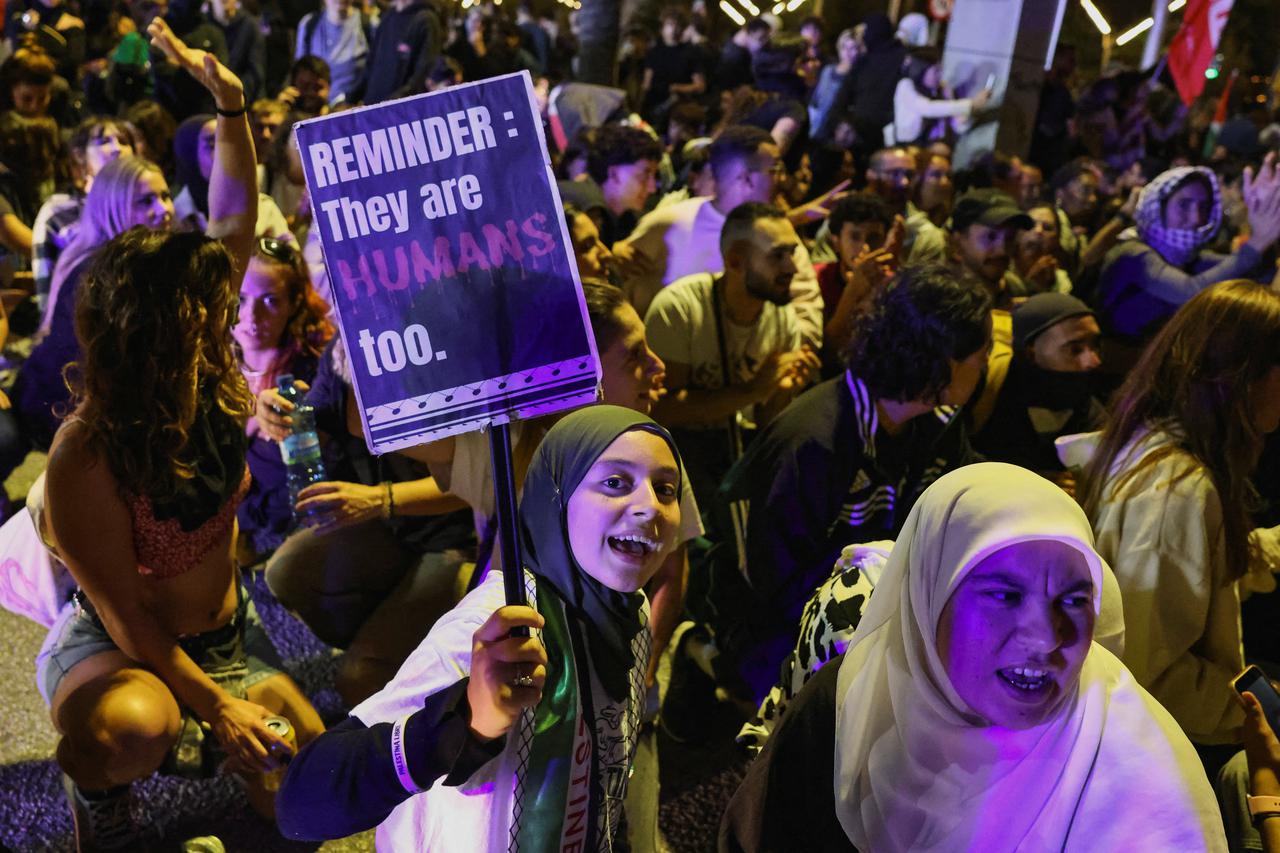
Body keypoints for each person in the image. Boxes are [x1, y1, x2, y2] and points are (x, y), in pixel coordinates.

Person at [34, 23, 323, 852]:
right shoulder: (85, 452)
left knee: (298, 802)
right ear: (155, 332)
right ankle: (100, 797)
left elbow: (232, 215)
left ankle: (223, 740)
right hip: (123, 648)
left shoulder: (205, 364)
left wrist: (230, 106)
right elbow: (127, 614)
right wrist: (220, 705)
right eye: (207, 306)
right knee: (130, 730)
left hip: (230, 635)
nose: (226, 307)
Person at [719, 463, 1227, 852]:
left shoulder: (1132, 758)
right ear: (928, 598)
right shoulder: (851, 698)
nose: (1047, 637)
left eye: (1073, 599)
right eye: (1004, 595)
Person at [273, 406, 684, 850]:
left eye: (666, 490)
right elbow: (301, 803)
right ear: (557, 495)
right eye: (615, 482)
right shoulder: (493, 626)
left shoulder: (630, 610)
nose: (650, 507)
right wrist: (464, 723)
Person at [711, 263, 989, 702]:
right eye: (982, 356)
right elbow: (767, 585)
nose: (988, 366)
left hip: (881, 607)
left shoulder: (937, 422)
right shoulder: (814, 442)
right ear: (945, 363)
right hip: (794, 626)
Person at [13, 18, 258, 452]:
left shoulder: (170, 267)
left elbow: (233, 224)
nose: (163, 210)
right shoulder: (93, 279)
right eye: (145, 201)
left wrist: (231, 104)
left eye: (165, 196)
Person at [1081, 280, 1280, 757]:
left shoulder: (1155, 444)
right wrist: (1255, 710)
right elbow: (1149, 672)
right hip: (1160, 750)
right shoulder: (1175, 491)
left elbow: (1201, 572)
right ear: (1245, 377)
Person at [644, 202, 820, 510]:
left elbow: (766, 418)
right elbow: (661, 410)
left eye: (793, 252)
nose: (792, 267)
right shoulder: (680, 308)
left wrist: (784, 391)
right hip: (676, 469)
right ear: (736, 260)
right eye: (778, 255)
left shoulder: (782, 319)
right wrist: (752, 391)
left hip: (736, 465)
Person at [614, 125, 824, 346]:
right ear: (746, 179)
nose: (782, 179)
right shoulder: (667, 225)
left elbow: (808, 323)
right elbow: (617, 294)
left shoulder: (782, 239)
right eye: (774, 170)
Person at [1096, 161, 1280, 347]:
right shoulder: (1133, 254)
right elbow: (1189, 292)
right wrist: (1257, 243)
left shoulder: (1189, 256)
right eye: (1184, 205)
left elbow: (1258, 275)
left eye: (1204, 207)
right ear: (1158, 206)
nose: (1197, 218)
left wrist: (1265, 227)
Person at [233, 236, 334, 559]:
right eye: (242, 299)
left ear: (293, 306)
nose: (252, 315)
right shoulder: (211, 363)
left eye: (271, 301)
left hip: (277, 539)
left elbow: (289, 485)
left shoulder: (309, 373)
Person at [971, 292, 1103, 475]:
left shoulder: (1086, 406)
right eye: (1075, 349)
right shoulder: (987, 391)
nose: (1093, 360)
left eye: (1095, 345)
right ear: (1031, 352)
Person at [31, 117, 140, 311]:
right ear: (80, 155)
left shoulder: (149, 205)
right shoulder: (59, 211)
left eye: (124, 142)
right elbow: (47, 292)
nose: (117, 149)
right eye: (104, 142)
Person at [814, 191, 895, 362]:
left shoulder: (893, 285)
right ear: (836, 242)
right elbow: (827, 351)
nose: (864, 247)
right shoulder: (817, 278)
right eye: (854, 237)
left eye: (874, 238)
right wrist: (853, 291)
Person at [558, 123, 662, 247]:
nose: (652, 188)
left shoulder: (620, 219)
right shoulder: (588, 210)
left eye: (654, 176)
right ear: (614, 174)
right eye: (644, 175)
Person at [947, 188, 1032, 313]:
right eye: (990, 237)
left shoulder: (1014, 289)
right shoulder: (941, 301)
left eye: (1010, 238)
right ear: (957, 243)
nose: (1002, 250)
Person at [887, 47, 989, 147]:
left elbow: (957, 123)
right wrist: (970, 104)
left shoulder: (943, 88)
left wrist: (971, 111)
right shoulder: (906, 85)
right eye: (936, 71)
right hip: (911, 145)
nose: (940, 75)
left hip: (939, 144)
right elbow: (927, 108)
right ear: (921, 70)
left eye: (941, 70)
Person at [362, 0, 441, 105]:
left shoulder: (426, 20)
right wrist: (351, 97)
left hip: (400, 112)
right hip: (373, 107)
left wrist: (394, 102)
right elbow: (371, 64)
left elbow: (423, 73)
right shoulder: (389, 17)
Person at [294, 0, 369, 107]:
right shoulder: (309, 23)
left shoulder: (369, 24)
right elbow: (300, 69)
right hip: (316, 107)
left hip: (353, 106)